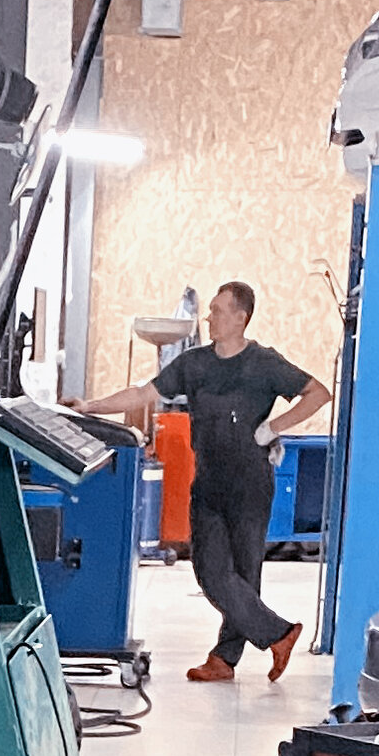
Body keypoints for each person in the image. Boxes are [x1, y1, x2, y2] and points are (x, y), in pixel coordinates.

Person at [82, 279, 331, 679]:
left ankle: (224, 660)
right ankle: (279, 634)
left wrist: (274, 427)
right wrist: (91, 406)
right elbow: (143, 393)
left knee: (245, 573)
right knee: (210, 570)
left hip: (250, 482)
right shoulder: (194, 364)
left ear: (240, 317)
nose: (209, 317)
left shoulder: (264, 363)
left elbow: (318, 392)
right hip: (210, 481)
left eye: (217, 310)